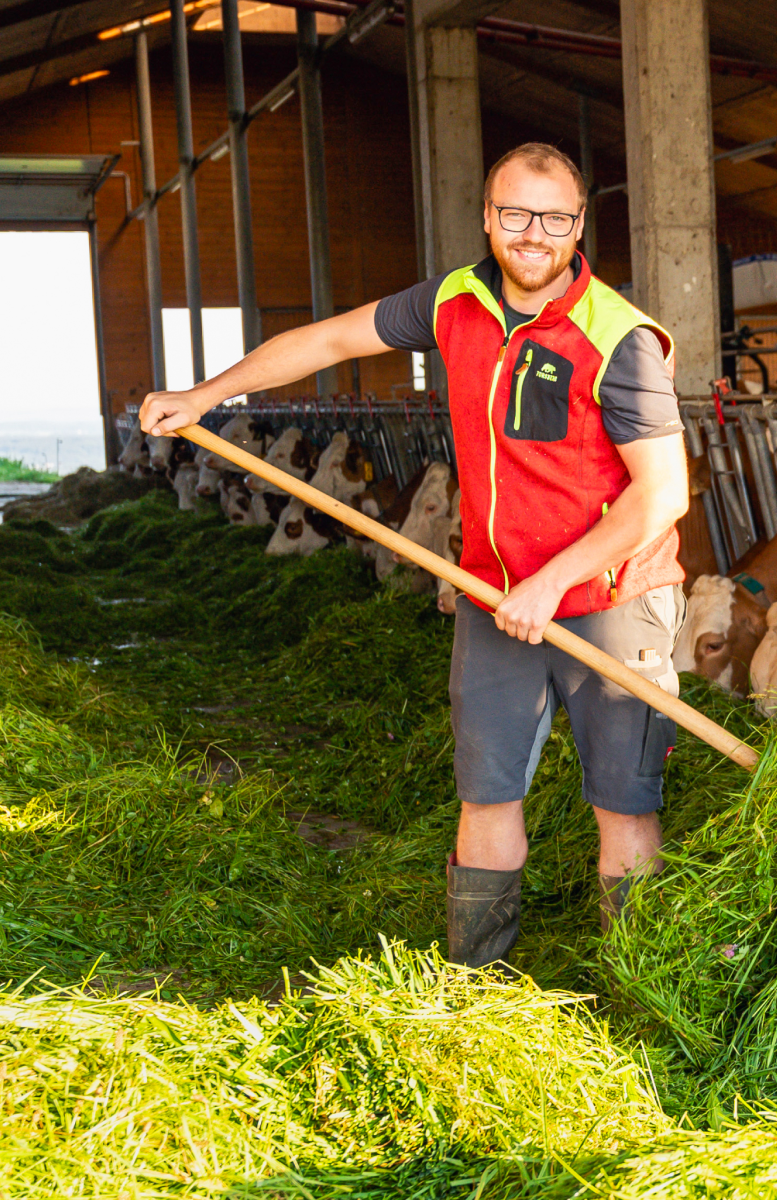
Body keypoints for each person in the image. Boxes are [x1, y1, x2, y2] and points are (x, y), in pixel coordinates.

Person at [139, 143, 688, 968]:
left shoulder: (619, 338)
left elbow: (661, 496)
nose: (533, 233)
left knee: (626, 809)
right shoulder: (452, 302)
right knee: (487, 797)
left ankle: (647, 991)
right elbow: (327, 342)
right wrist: (206, 397)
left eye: (555, 218)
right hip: (493, 597)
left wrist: (551, 581)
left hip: (611, 602)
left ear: (579, 227)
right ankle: (476, 993)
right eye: (515, 212)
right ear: (486, 216)